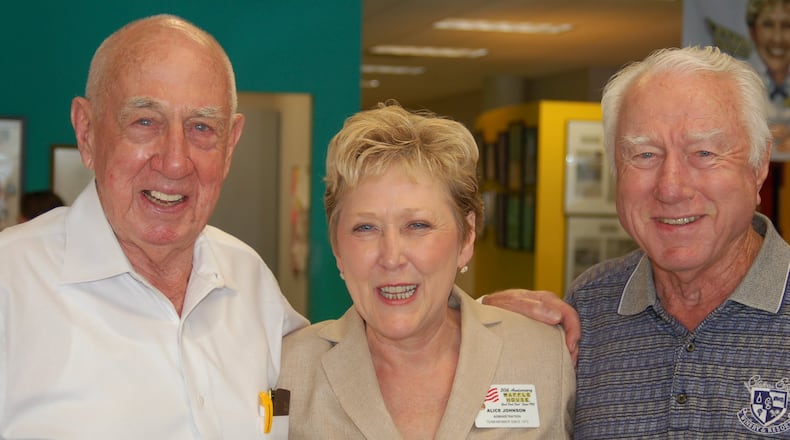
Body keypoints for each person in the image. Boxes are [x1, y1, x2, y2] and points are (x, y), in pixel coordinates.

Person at [0, 14, 307, 439]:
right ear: (86, 132)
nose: (175, 161)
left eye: (202, 127)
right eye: (145, 122)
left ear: (231, 143)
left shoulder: (251, 283)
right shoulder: (10, 285)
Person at [487, 45, 790, 437]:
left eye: (703, 152)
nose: (671, 187)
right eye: (645, 155)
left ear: (759, 164)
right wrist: (484, 327)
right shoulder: (590, 305)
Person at [277, 102, 575, 439]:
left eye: (417, 225)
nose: (391, 257)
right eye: (365, 228)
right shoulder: (286, 371)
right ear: (337, 248)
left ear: (467, 237)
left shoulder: (544, 357)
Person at [748, 0, 790, 154]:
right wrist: (751, 137)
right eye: (768, 25)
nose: (777, 38)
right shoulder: (734, 83)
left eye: (787, 25)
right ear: (753, 32)